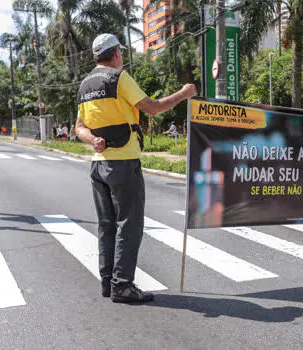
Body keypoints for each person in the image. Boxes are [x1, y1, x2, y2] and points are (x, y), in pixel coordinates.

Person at [75, 33, 196, 303]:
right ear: (116, 53)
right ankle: (123, 285)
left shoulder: (85, 85)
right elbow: (153, 108)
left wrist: (93, 140)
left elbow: (79, 128)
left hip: (98, 166)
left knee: (107, 225)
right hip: (123, 163)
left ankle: (108, 283)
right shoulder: (118, 78)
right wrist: (184, 94)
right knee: (129, 224)